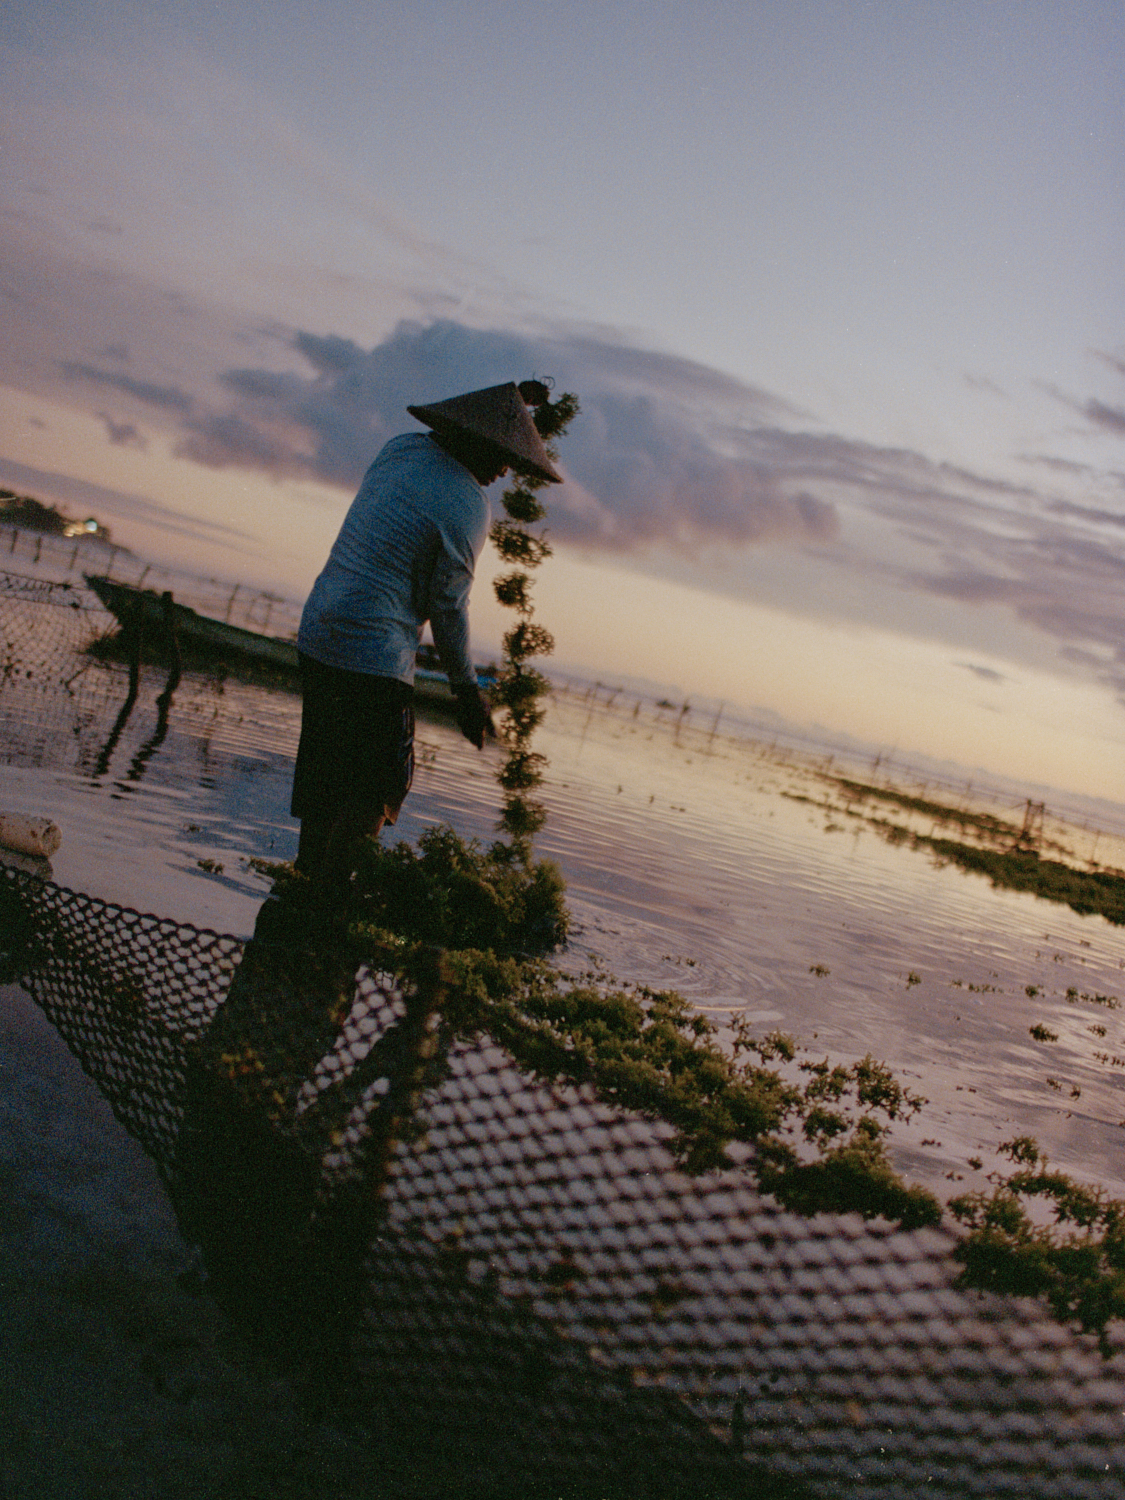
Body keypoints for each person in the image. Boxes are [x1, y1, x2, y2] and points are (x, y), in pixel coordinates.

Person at [288, 380, 562, 910]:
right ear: (472, 441)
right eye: (501, 457)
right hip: (373, 654)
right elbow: (448, 608)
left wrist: (516, 404)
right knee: (379, 783)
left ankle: (303, 883)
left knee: (327, 768)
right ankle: (330, 896)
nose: (505, 472)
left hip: (320, 631)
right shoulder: (466, 505)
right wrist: (466, 690)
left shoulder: (400, 448)